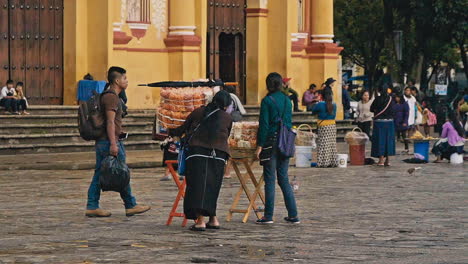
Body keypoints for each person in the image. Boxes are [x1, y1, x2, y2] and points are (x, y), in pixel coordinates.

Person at [85, 66, 151, 217]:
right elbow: (110, 122)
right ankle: (130, 204)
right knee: (121, 172)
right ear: (117, 80)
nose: (127, 81)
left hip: (106, 141)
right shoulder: (111, 97)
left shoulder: (114, 96)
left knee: (105, 173)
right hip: (109, 142)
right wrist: (113, 143)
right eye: (124, 78)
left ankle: (94, 205)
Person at [169, 90, 233, 231]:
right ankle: (213, 219)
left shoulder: (198, 112)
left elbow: (183, 129)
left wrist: (168, 131)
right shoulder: (227, 117)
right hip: (219, 155)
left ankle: (200, 221)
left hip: (197, 153)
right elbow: (226, 134)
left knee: (197, 187)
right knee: (212, 187)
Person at [255, 72, 299, 224]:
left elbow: (264, 125)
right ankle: (293, 214)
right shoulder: (288, 100)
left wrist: (259, 145)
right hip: (286, 141)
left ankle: (268, 216)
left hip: (272, 141)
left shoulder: (267, 101)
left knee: (270, 179)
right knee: (284, 179)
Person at [312, 89, 338, 168]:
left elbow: (313, 111)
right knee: (331, 144)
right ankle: (332, 161)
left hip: (323, 126)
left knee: (323, 144)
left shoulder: (320, 104)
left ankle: (323, 162)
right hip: (332, 126)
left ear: (322, 96)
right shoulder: (334, 104)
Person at [370, 85, 395, 166]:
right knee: (388, 140)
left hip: (379, 123)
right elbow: (393, 110)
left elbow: (371, 108)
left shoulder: (377, 99)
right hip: (389, 123)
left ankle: (381, 160)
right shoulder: (391, 99)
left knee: (380, 140)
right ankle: (388, 160)